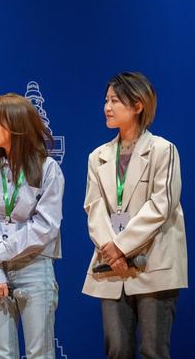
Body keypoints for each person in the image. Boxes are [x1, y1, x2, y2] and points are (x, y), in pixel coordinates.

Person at [83, 72, 187, 359]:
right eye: (106, 100)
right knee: (117, 350)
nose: (107, 107)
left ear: (138, 105)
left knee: (153, 350)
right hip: (112, 267)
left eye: (115, 101)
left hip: (154, 263)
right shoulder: (98, 156)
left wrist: (120, 246)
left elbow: (161, 205)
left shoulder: (163, 150)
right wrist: (110, 249)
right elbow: (94, 207)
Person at [0, 93, 64, 359]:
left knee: (39, 353)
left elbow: (44, 227)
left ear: (15, 125)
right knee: (1, 354)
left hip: (34, 267)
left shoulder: (48, 169)